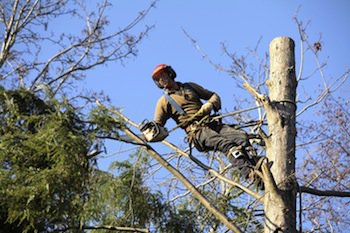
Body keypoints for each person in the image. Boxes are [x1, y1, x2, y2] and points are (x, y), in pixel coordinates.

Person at [148, 64, 264, 187]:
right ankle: (252, 175)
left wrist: (210, 104)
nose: (161, 79)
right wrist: (148, 134)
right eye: (158, 78)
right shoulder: (164, 101)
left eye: (162, 75)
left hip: (212, 124)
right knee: (227, 145)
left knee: (243, 138)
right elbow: (157, 126)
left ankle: (259, 167)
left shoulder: (189, 87)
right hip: (197, 132)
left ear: (169, 73)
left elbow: (214, 96)